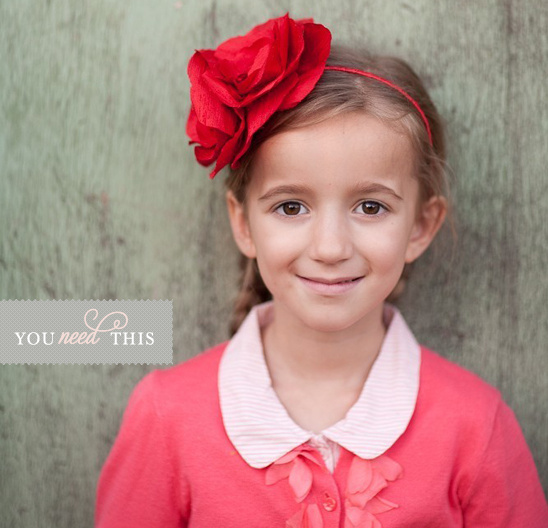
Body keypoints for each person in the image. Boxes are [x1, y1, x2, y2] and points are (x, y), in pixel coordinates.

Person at [95, 13, 548, 527]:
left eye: (371, 207)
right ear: (243, 223)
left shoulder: (476, 427)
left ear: (421, 226)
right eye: (291, 207)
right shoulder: (167, 417)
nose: (330, 247)